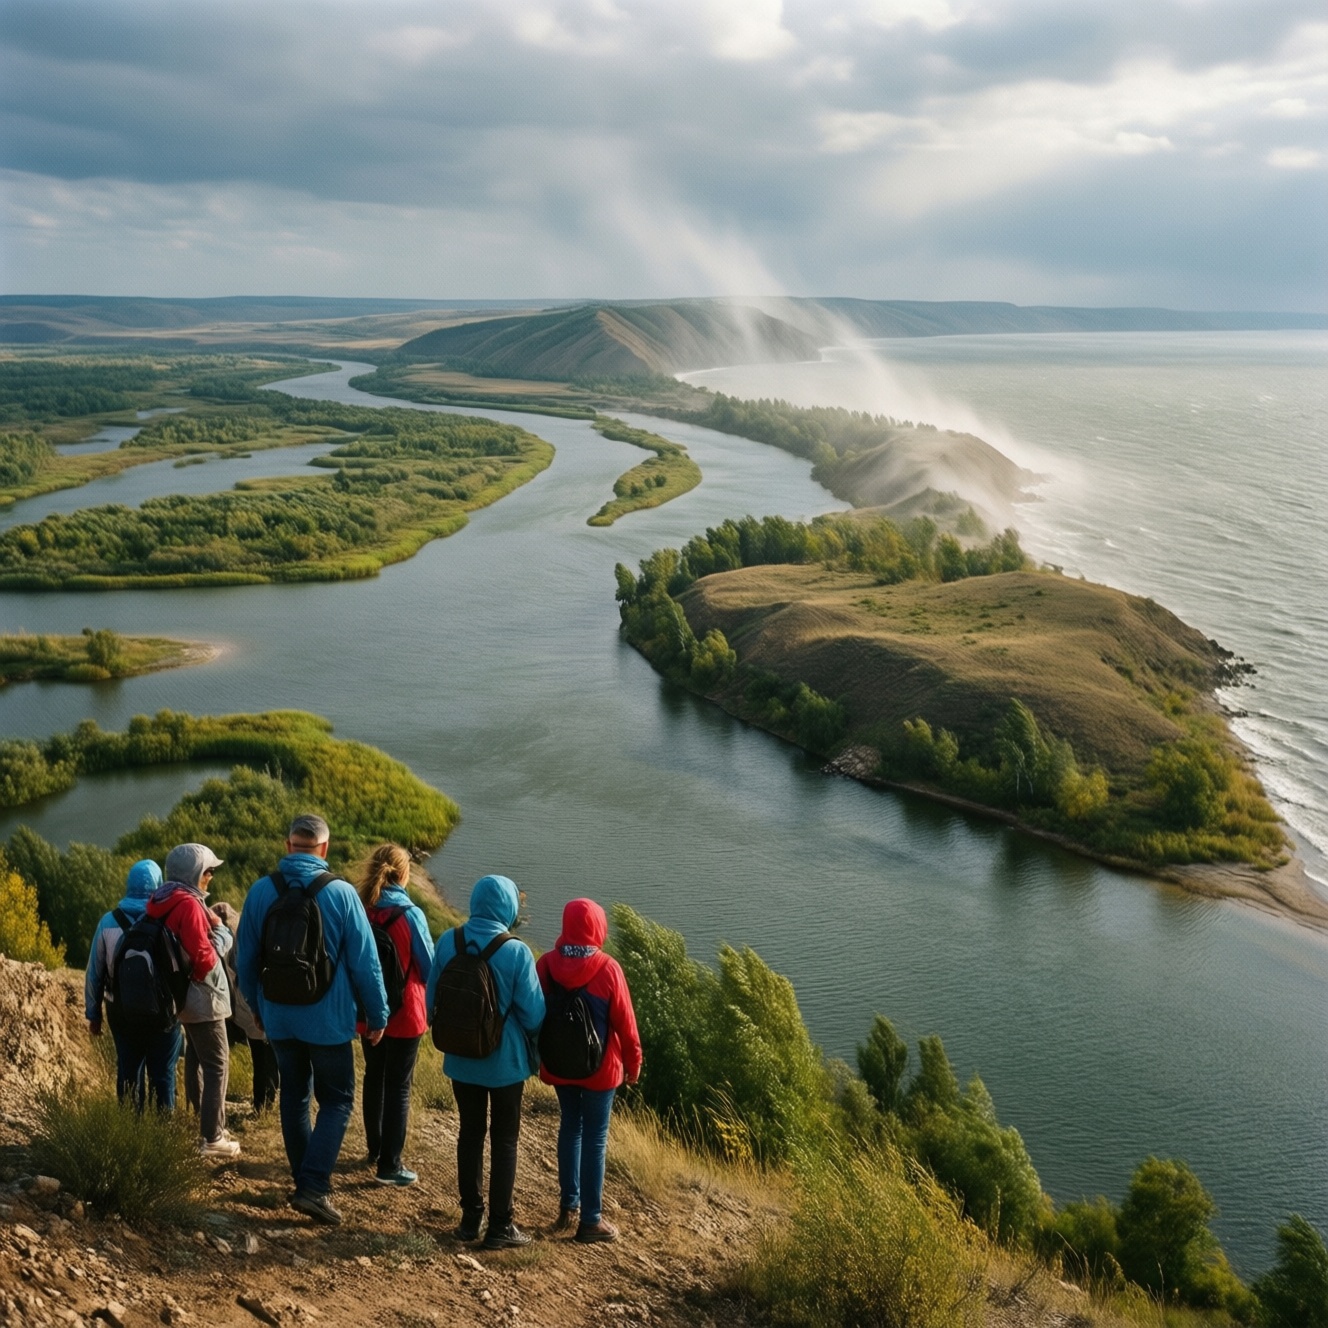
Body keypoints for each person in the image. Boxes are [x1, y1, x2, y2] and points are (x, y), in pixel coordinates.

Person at [236, 813, 389, 1226]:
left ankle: (306, 1183)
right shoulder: (341, 893)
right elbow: (366, 965)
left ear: (288, 846)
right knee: (337, 1100)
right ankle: (314, 1187)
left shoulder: (261, 892)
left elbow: (245, 961)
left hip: (280, 1019)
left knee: (294, 1097)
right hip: (329, 1022)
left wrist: (258, 1008)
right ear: (324, 848)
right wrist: (377, 1016)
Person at [425, 874, 544, 1249]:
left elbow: (431, 1005)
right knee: (505, 1141)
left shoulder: (449, 940)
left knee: (470, 1134)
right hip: (505, 1063)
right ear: (507, 907)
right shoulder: (516, 951)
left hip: (461, 1059)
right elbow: (535, 1014)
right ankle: (500, 1227)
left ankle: (469, 1219)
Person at [536, 897, 642, 1244]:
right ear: (598, 927)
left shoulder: (547, 965)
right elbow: (626, 1025)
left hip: (560, 1065)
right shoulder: (608, 968)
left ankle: (568, 1206)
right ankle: (591, 1220)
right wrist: (634, 1063)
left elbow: (536, 1016)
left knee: (570, 1127)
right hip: (600, 1072)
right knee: (595, 1138)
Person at [147, 843, 238, 1158]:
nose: (211, 877)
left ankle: (207, 1123)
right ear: (193, 874)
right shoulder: (189, 905)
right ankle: (212, 1138)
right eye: (207, 871)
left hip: (184, 997)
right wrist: (224, 936)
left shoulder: (163, 900)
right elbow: (203, 957)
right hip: (203, 997)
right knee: (217, 1065)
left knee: (198, 1060)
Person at [355, 843, 433, 1186]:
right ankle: (390, 1164)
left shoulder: (361, 909)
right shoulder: (410, 914)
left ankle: (374, 1150)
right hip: (405, 1014)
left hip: (369, 1011)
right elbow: (428, 968)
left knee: (374, 1076)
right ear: (403, 875)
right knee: (399, 1087)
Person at [84, 858, 182, 1111]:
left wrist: (93, 1015)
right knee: (163, 1075)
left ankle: (130, 1129)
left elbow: (94, 973)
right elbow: (181, 968)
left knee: (128, 1073)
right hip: (162, 1014)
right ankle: (164, 1136)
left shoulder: (108, 922)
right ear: (158, 886)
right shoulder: (168, 921)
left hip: (121, 1011)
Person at [214, 901, 279, 1114]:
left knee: (260, 1056)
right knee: (268, 1053)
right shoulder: (250, 932)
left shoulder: (224, 942)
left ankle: (262, 1102)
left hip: (242, 1006)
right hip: (261, 1001)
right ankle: (268, 1099)